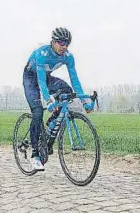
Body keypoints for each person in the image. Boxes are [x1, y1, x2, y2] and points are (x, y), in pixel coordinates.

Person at [23, 27, 93, 171]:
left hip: (46, 78)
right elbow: (41, 81)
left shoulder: (68, 57)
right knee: (37, 113)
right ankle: (35, 155)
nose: (64, 46)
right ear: (53, 42)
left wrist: (84, 101)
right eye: (61, 43)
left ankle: (52, 122)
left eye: (67, 43)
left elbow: (74, 80)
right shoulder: (42, 53)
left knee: (67, 91)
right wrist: (48, 101)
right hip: (31, 79)